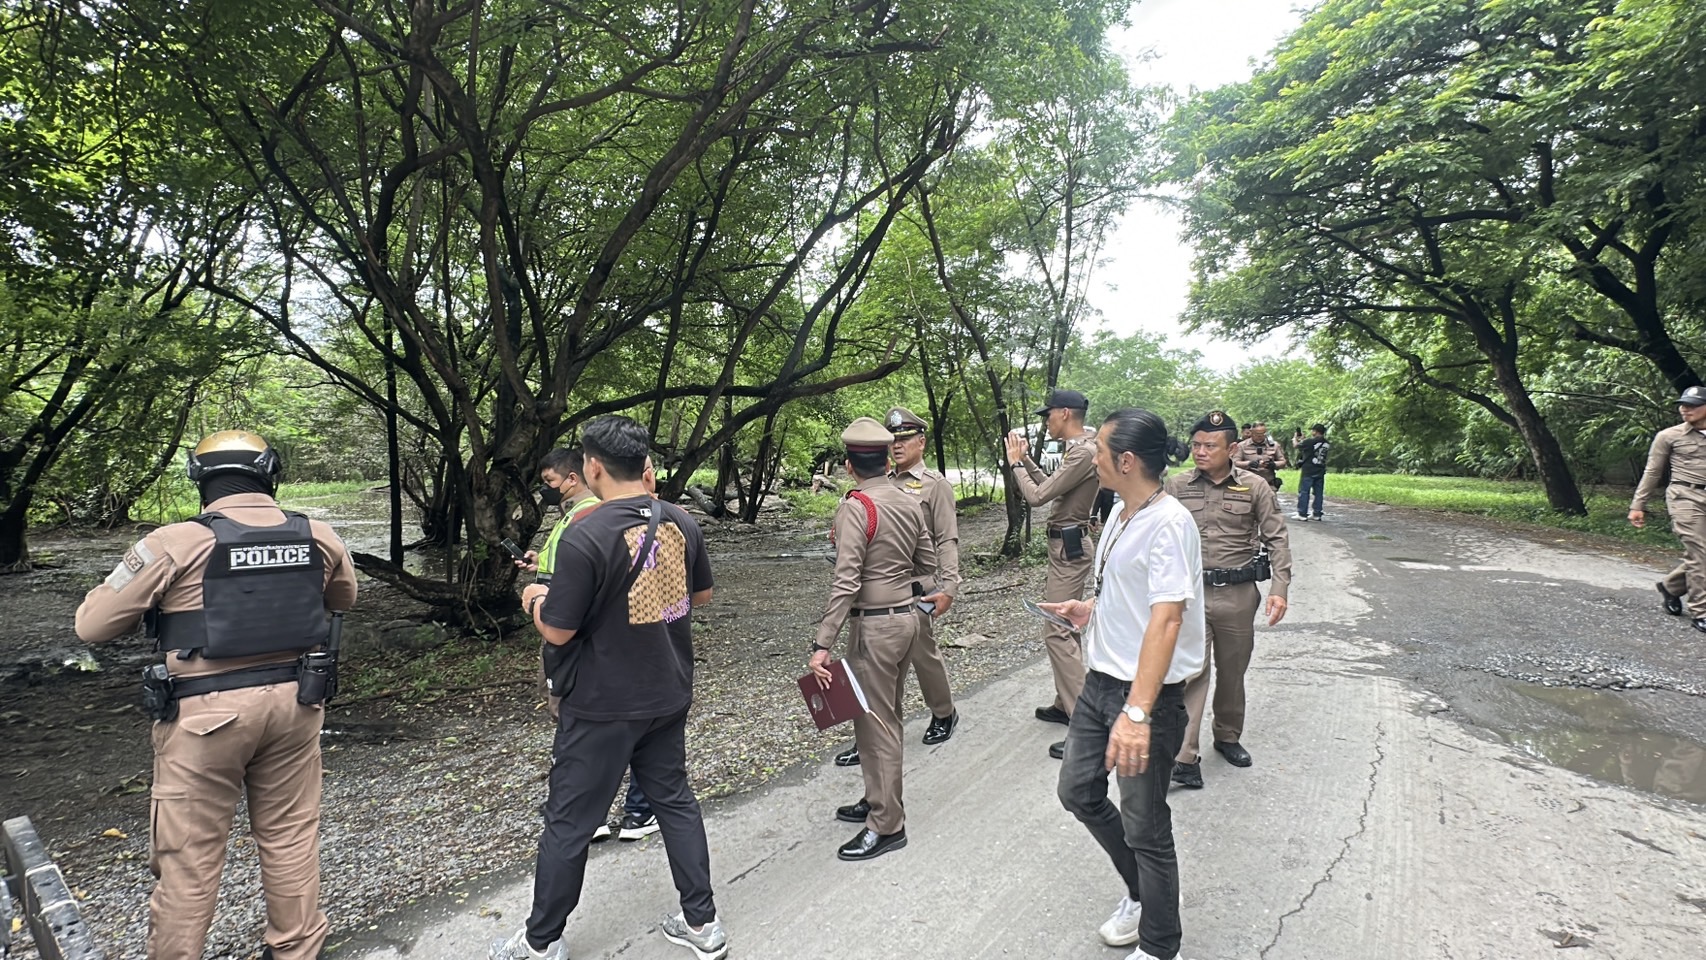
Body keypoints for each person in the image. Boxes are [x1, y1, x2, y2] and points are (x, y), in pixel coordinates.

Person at [74, 430, 358, 960]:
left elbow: (92, 626)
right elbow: (344, 597)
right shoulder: (318, 535)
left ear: (200, 478)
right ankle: (298, 950)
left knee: (189, 856)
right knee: (291, 836)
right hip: (297, 704)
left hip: (204, 716)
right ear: (270, 474)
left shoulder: (173, 542)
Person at [494, 416, 725, 960]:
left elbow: (558, 630)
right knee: (675, 803)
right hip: (667, 690)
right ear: (644, 464)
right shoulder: (679, 519)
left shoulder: (586, 533)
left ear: (592, 466)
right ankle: (703, 922)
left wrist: (533, 598)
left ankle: (541, 941)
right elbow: (701, 596)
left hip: (602, 704)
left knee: (569, 822)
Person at [1044, 408, 1204, 960]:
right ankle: (1141, 893)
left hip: (1145, 697)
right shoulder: (1118, 511)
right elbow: (1130, 592)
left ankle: (1160, 945)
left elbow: (1168, 619)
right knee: (1078, 792)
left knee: (1146, 826)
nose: (1094, 458)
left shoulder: (1170, 523)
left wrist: (1137, 714)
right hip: (1100, 684)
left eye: (1101, 451)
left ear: (1128, 461)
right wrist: (1089, 609)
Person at [809, 417, 938, 862]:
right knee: (884, 715)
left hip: (874, 627)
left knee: (875, 721)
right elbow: (928, 565)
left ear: (849, 466)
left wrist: (822, 644)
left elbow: (846, 581)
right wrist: (899, 586)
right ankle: (876, 797)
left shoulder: (857, 506)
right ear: (886, 461)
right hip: (906, 621)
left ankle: (887, 824)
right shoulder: (908, 501)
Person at [517, 448, 657, 843]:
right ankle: (612, 809)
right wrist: (540, 564)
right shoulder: (582, 517)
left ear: (581, 475)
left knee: (580, 721)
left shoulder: (591, 517)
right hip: (606, 640)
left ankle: (589, 809)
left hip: (579, 635)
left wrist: (538, 603)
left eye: (549, 482)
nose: (546, 490)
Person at [1165, 411, 1292, 789]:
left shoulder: (1255, 487)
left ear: (1232, 448)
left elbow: (1277, 538)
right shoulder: (1177, 486)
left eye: (1210, 445)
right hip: (1191, 596)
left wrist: (1280, 588)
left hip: (1238, 594)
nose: (1200, 452)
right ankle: (1185, 756)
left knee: (1233, 671)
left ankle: (1227, 735)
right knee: (1192, 671)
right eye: (1196, 445)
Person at [834, 407, 959, 767]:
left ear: (921, 442)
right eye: (894, 440)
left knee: (922, 653)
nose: (898, 445)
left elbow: (946, 539)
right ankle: (869, 737)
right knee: (870, 667)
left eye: (905, 439)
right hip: (875, 591)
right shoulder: (880, 481)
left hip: (918, 586)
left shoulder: (935, 485)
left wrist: (949, 586)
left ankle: (944, 711)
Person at [1004, 388, 1100, 759]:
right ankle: (1065, 702)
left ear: (1064, 413)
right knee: (1065, 625)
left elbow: (1037, 497)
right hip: (1065, 546)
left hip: (1069, 549)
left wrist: (1015, 464)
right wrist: (1027, 460)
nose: (1046, 421)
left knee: (1057, 630)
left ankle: (1085, 724)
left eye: (1049, 415)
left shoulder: (1083, 451)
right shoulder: (1081, 449)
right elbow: (1049, 484)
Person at [1630, 385, 1706, 634]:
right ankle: (1701, 611)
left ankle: (1671, 587)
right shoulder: (1669, 436)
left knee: (1702, 556)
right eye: (1683, 404)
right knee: (1700, 553)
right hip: (1685, 496)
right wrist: (1638, 505)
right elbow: (1653, 471)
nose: (1685, 409)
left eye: (1693, 405)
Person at [1294, 423, 1331, 521]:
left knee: (1304, 492)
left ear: (1315, 431)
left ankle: (1302, 513)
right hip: (1320, 470)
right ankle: (1317, 513)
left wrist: (1295, 438)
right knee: (1318, 493)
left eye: (1313, 430)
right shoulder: (1326, 443)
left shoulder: (1309, 441)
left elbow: (1296, 446)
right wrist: (1303, 439)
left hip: (1308, 470)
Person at [1235, 421, 1287, 489]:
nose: (1259, 436)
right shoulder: (1241, 446)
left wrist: (1273, 464)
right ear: (1251, 432)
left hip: (1268, 484)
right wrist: (1249, 464)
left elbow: (1283, 462)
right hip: (1248, 485)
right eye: (1257, 434)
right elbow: (1234, 463)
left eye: (1262, 433)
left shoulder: (1274, 445)